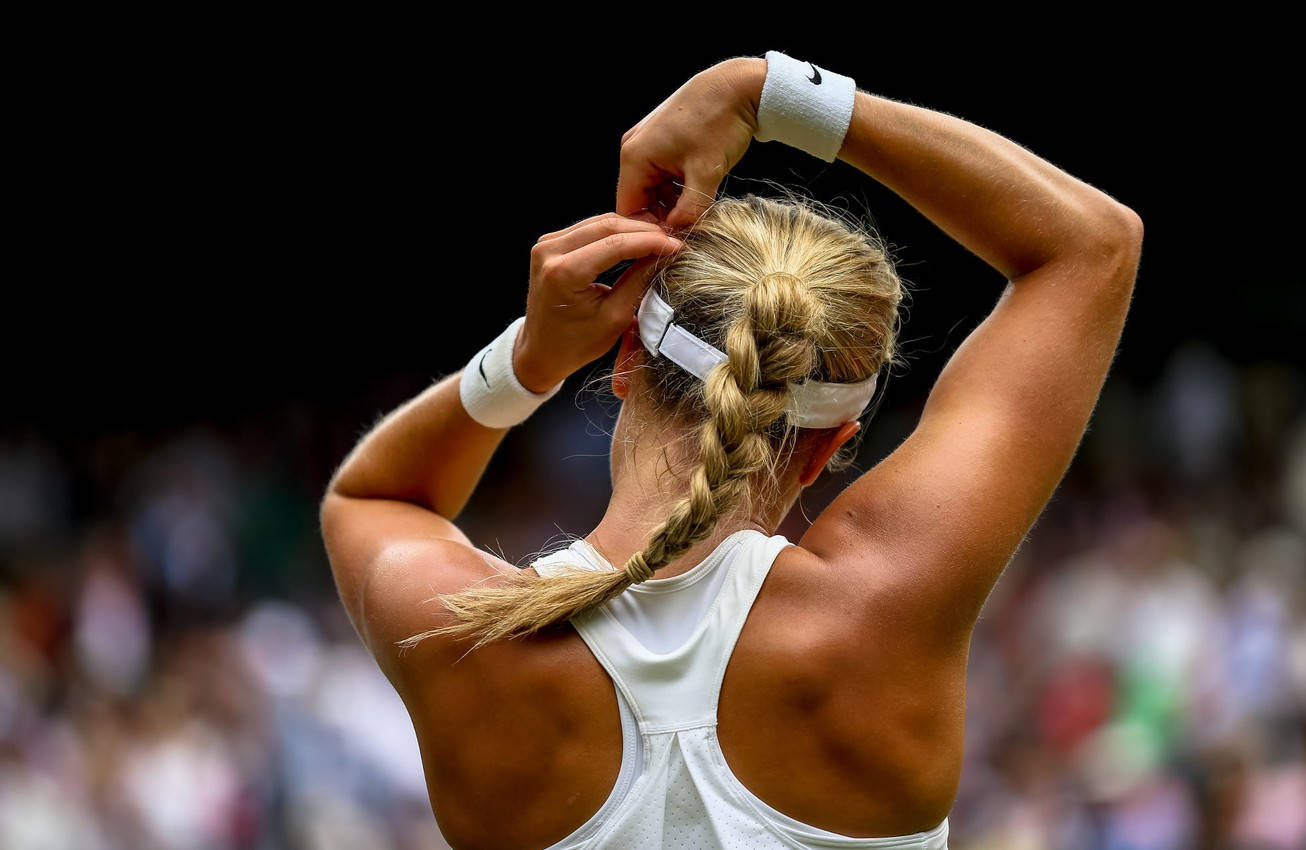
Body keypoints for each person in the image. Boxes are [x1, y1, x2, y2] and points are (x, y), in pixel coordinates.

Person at [319, 50, 1144, 849]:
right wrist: (769, 93)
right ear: (829, 449)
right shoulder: (881, 603)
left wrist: (529, 359)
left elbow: (369, 497)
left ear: (627, 360)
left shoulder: (463, 632)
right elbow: (1091, 247)